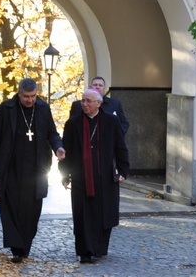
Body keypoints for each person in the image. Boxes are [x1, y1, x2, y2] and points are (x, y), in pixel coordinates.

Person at [0, 78, 65, 263]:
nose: (30, 100)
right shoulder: (6, 108)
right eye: (26, 97)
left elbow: (52, 133)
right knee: (10, 206)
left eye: (33, 96)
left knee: (32, 209)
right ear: (19, 94)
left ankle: (25, 246)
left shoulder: (43, 108)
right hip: (10, 165)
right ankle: (16, 248)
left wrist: (58, 148)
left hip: (36, 167)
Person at [60, 88, 129, 263]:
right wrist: (64, 173)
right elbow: (66, 150)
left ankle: (98, 249)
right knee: (82, 214)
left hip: (105, 177)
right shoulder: (73, 123)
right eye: (83, 101)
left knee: (103, 214)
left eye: (89, 101)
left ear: (98, 103)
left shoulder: (111, 122)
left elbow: (120, 147)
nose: (85, 104)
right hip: (80, 177)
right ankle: (85, 252)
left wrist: (122, 171)